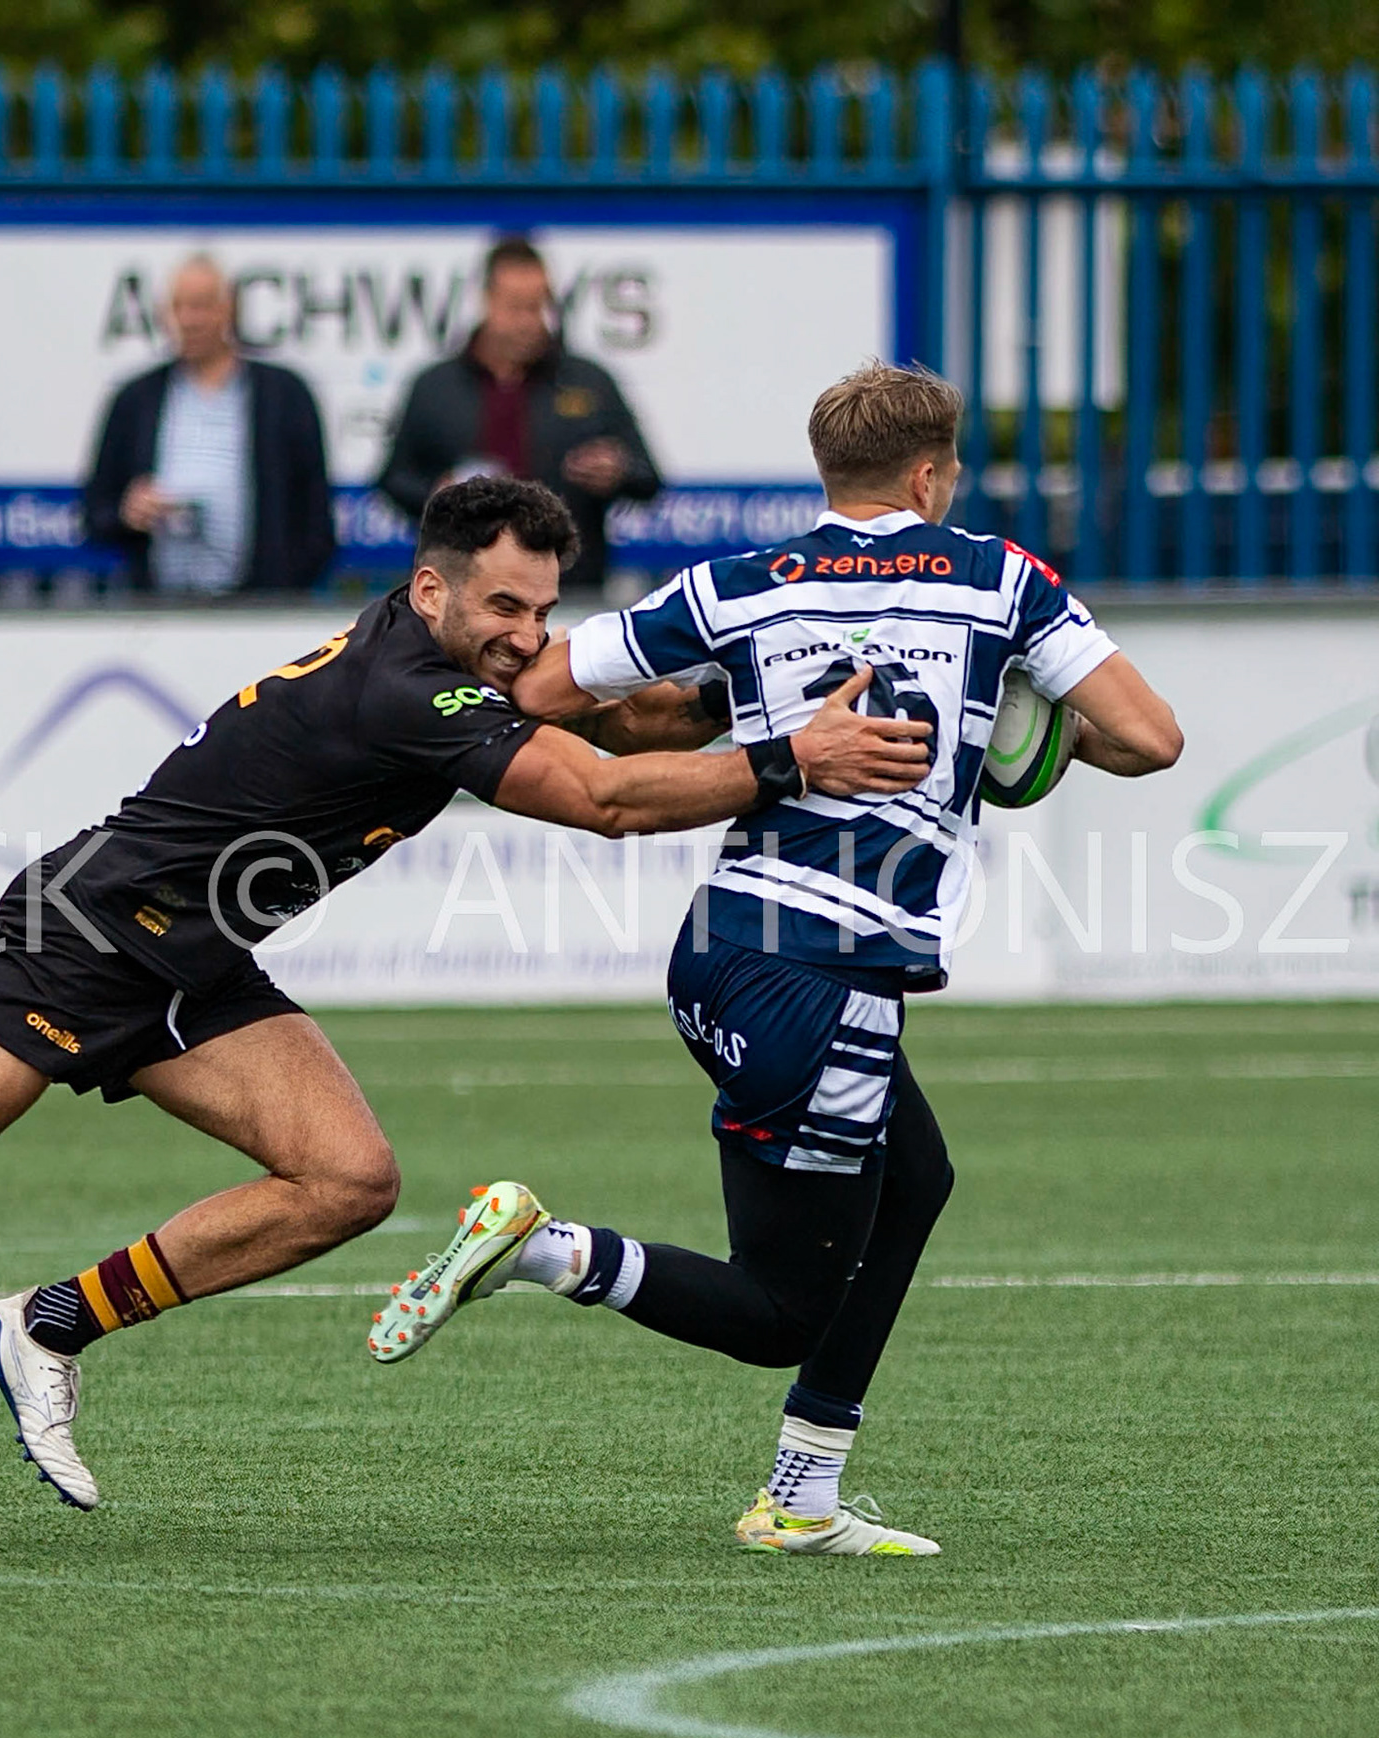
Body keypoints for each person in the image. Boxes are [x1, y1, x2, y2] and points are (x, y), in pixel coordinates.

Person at [0, 475, 935, 1561]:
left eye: (544, 610)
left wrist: (778, 693)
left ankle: (46, 1323)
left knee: (347, 1180)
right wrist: (792, 757)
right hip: (74, 945)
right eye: (505, 608)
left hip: (195, 964)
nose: (529, 635)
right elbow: (608, 798)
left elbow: (623, 723)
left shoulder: (446, 666)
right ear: (431, 592)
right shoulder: (406, 690)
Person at [366, 362, 1185, 1556]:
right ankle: (544, 1248)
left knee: (916, 1179)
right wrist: (1027, 734)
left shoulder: (742, 584)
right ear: (931, 475)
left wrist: (730, 702)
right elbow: (1152, 738)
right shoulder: (1002, 580)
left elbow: (537, 685)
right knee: (777, 1312)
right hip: (825, 978)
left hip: (728, 949)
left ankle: (805, 1496)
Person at [377, 237, 661, 590]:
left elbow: (648, 477)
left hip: (567, 590)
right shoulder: (435, 386)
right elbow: (393, 479)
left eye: (538, 306)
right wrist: (439, 494)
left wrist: (617, 471)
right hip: (462, 592)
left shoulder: (589, 382)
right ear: (487, 301)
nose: (529, 321)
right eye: (516, 307)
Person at [83, 254, 334, 594]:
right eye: (178, 308)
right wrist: (128, 512)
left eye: (200, 306)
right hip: (160, 605)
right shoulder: (137, 399)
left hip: (259, 604)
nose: (189, 320)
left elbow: (315, 515)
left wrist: (283, 588)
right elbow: (95, 511)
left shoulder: (283, 396)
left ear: (228, 309)